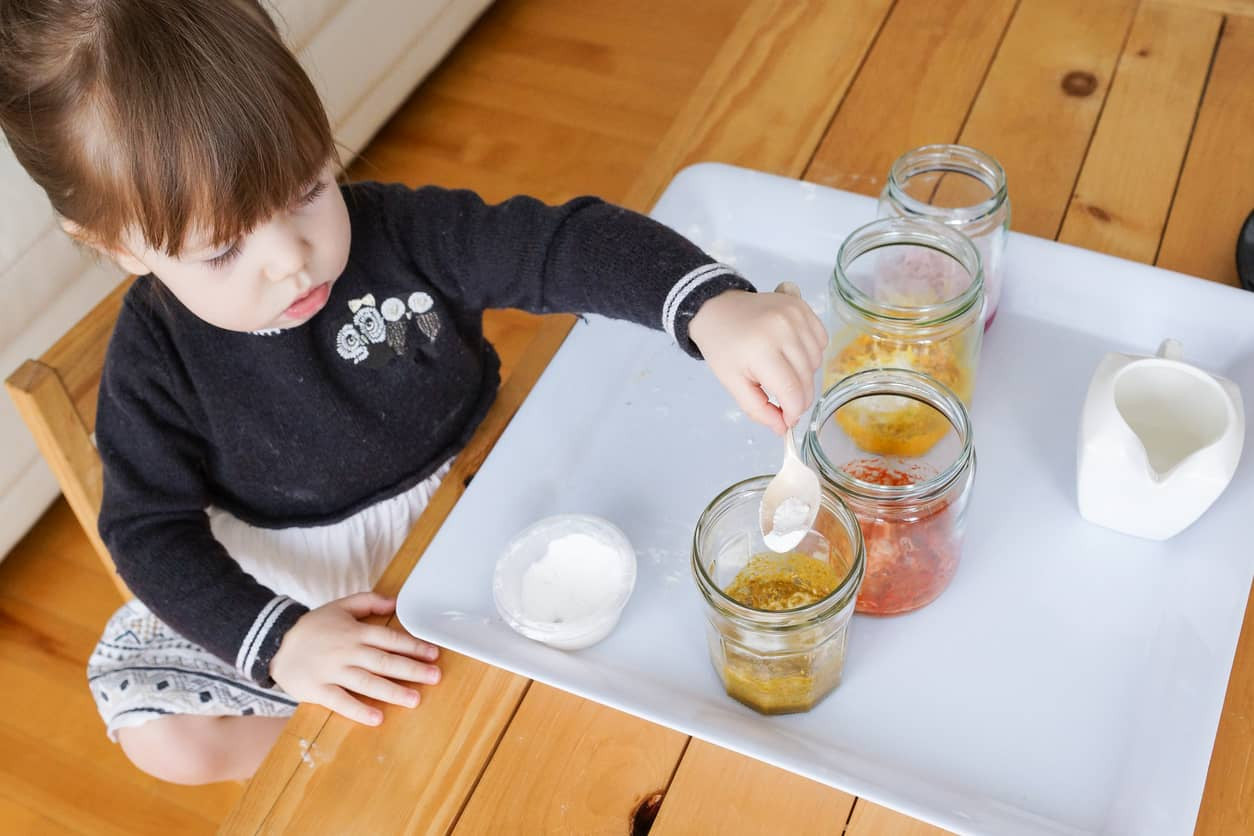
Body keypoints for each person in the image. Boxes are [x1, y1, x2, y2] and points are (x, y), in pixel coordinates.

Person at [0, 0, 827, 784]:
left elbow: (558, 245)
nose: (290, 258)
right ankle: (359, 734)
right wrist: (284, 646)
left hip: (477, 493)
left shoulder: (403, 230)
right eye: (222, 251)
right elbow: (147, 534)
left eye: (308, 190)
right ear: (114, 245)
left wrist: (714, 306)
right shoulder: (153, 363)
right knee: (161, 731)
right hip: (302, 580)